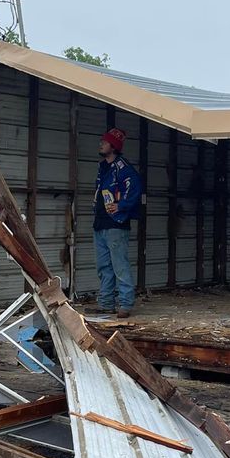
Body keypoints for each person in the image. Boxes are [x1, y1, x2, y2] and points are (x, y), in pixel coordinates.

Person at [93, 127, 143, 317]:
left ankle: (125, 304)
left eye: (104, 142)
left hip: (116, 223)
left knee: (119, 265)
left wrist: (121, 206)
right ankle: (106, 303)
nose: (101, 144)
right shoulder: (103, 166)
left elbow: (135, 188)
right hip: (101, 223)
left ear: (113, 146)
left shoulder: (124, 168)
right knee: (103, 266)